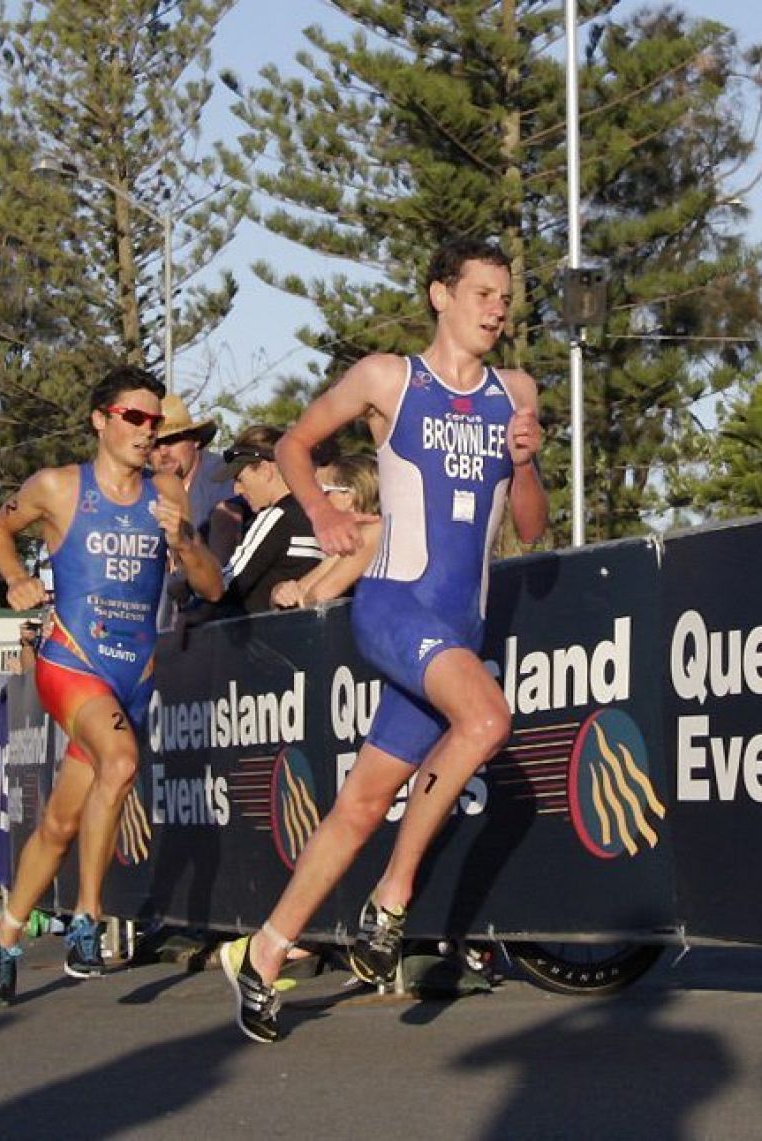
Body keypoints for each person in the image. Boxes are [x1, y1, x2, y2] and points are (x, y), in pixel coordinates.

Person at [220, 237, 547, 1043]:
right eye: (482, 292)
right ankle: (393, 899)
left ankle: (264, 952)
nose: (497, 308)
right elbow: (294, 444)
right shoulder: (388, 377)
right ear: (441, 294)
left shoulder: (518, 391)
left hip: (458, 623)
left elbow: (531, 533)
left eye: (505, 296)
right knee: (488, 719)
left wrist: (530, 467)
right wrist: (324, 514)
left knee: (362, 803)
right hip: (396, 608)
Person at [0, 363, 223, 1006]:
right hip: (72, 658)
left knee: (60, 821)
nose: (149, 431)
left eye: (155, 421)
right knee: (122, 760)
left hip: (133, 673)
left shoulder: (168, 491)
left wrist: (186, 543)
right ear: (101, 420)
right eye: (135, 418)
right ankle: (88, 917)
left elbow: (211, 585)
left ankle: (5, 931)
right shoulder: (59, 487)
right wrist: (13, 578)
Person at [202, 424, 325, 619]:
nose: (237, 490)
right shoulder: (320, 513)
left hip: (268, 641)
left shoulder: (276, 516)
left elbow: (226, 584)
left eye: (240, 479)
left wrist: (192, 595)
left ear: (266, 470)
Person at [151, 393, 231, 632]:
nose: (163, 452)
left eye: (173, 440)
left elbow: (222, 556)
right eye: (155, 444)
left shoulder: (220, 476)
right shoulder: (144, 488)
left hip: (220, 611)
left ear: (195, 440)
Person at [270, 453, 381, 610]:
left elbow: (320, 595)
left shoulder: (369, 533)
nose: (316, 500)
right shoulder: (352, 537)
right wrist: (281, 591)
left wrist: (298, 598)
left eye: (322, 491)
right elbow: (305, 588)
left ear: (348, 496)